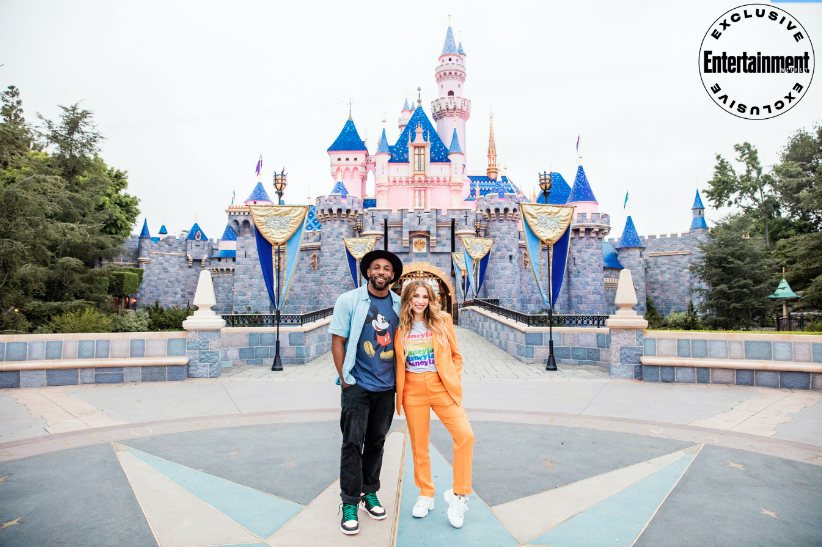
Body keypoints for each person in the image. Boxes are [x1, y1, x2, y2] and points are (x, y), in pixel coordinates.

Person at [329, 249, 403, 536]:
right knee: (352, 443)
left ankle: (369, 492)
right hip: (357, 386)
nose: (381, 272)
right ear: (368, 272)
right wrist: (345, 378)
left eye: (387, 268)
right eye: (376, 267)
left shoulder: (399, 304)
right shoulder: (348, 300)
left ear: (393, 275)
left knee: (376, 442)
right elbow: (338, 340)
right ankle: (349, 501)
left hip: (387, 387)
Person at [395, 279, 474, 529]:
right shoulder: (400, 327)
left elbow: (456, 356)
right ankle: (426, 493)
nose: (420, 301)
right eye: (415, 296)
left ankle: (459, 494)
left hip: (441, 386)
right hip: (412, 389)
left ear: (430, 300)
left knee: (465, 435)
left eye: (425, 296)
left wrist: (453, 379)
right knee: (419, 446)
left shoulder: (443, 321)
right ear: (408, 299)